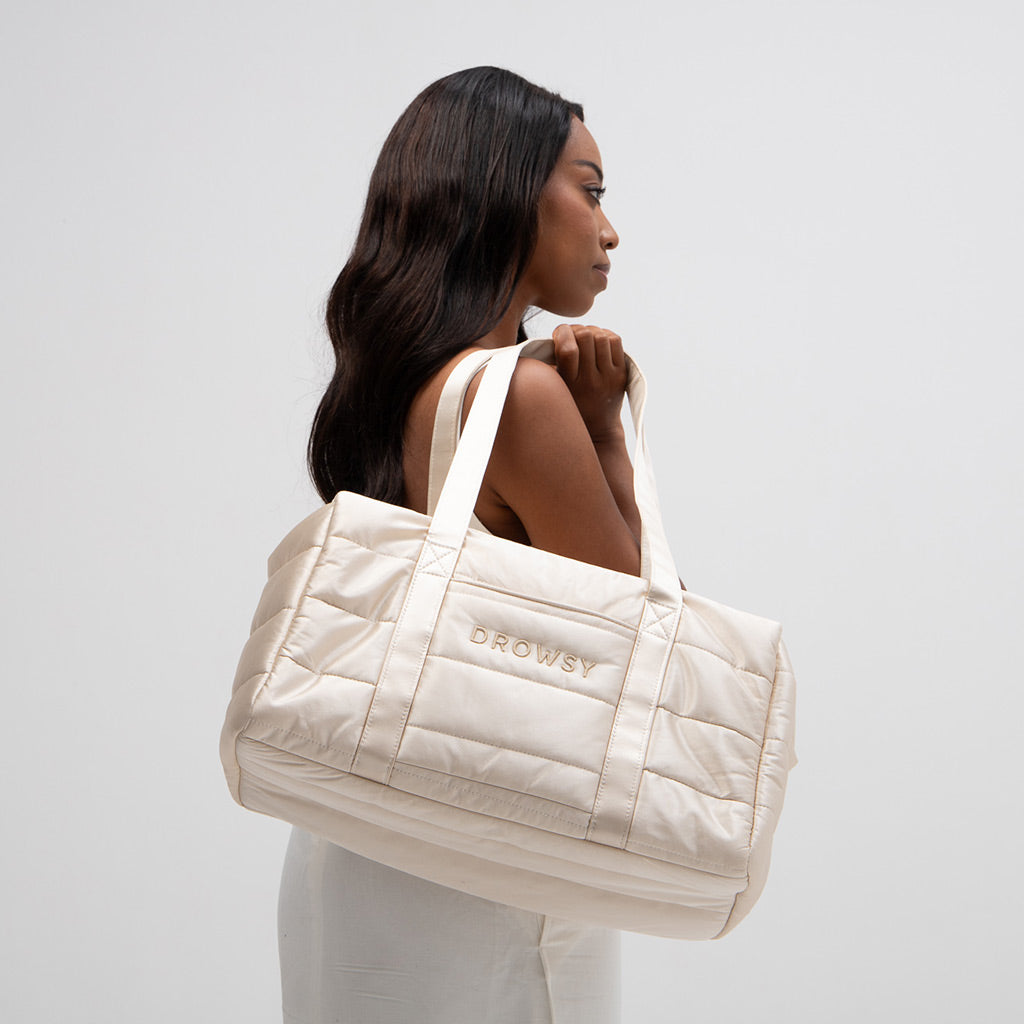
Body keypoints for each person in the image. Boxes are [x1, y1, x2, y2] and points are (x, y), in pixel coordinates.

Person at [279, 66, 639, 1024]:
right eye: (591, 190)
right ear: (506, 189)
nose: (609, 230)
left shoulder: (401, 386)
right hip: (487, 850)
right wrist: (605, 430)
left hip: (356, 836)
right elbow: (637, 629)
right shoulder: (518, 396)